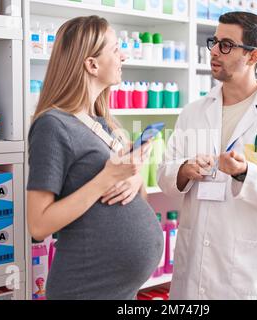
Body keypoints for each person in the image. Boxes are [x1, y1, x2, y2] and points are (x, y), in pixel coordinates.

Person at [157, 11, 257, 299]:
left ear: (252, 56)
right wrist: (183, 170)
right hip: (193, 268)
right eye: (214, 42)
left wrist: (246, 174)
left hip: (246, 273)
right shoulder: (194, 111)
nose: (215, 51)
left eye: (226, 45)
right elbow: (165, 175)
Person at [27, 16, 163, 300]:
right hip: (85, 289)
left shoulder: (105, 124)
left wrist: (134, 175)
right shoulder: (53, 125)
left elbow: (135, 200)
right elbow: (38, 225)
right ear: (91, 65)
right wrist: (106, 179)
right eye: (115, 49)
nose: (123, 55)